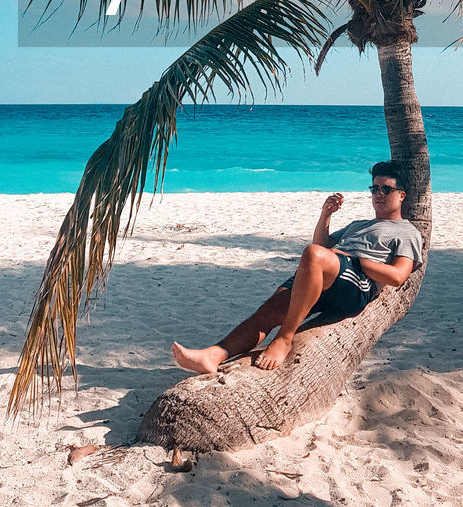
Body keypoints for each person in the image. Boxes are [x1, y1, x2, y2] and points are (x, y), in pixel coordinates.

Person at [171, 160, 423, 374]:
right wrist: (326, 215)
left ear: (401, 195)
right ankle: (213, 355)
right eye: (374, 188)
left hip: (357, 283)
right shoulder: (358, 224)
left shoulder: (407, 232)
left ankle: (284, 338)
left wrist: (356, 260)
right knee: (270, 310)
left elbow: (398, 276)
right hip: (328, 272)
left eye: (386, 190)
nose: (379, 194)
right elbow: (322, 244)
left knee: (313, 254)